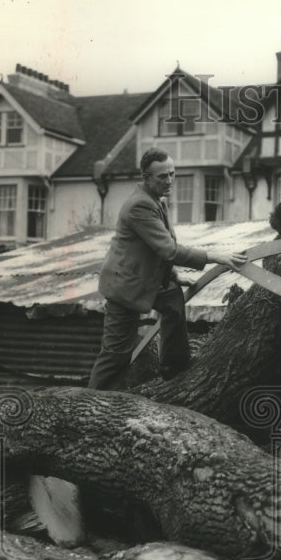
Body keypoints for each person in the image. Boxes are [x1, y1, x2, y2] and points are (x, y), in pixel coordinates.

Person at [87, 147, 247, 390]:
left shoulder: (156, 200)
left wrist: (174, 275)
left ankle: (175, 370)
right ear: (146, 177)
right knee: (116, 354)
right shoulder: (139, 206)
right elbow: (169, 250)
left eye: (172, 174)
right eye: (163, 176)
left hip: (146, 279)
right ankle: (93, 403)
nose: (170, 180)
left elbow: (154, 251)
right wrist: (218, 256)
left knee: (173, 302)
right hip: (125, 286)